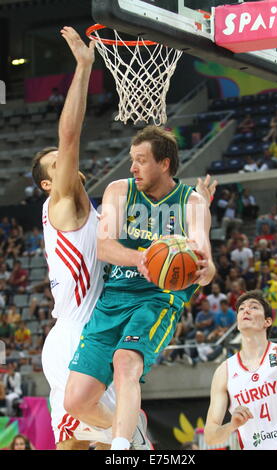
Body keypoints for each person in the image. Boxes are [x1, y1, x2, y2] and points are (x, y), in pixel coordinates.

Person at [65, 126, 216, 450]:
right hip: (114, 297)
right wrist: (141, 258)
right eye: (132, 160)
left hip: (158, 299)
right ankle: (130, 429)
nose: (132, 167)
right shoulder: (119, 191)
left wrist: (204, 270)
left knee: (125, 361)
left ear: (164, 164)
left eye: (141, 160)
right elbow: (104, 246)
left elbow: (206, 262)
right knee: (76, 401)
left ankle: (121, 449)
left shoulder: (191, 202)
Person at [31, 26, 117, 451]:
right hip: (75, 337)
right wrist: (83, 67)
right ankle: (132, 430)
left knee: (86, 445)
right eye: (56, 164)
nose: (64, 162)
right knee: (110, 433)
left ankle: (128, 430)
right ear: (49, 185)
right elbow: (69, 136)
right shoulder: (63, 203)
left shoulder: (87, 208)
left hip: (93, 333)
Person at [204, 290, 277, 450]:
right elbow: (210, 437)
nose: (246, 310)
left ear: (267, 321)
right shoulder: (224, 371)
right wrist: (231, 425)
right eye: (241, 309)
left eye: (253, 307)